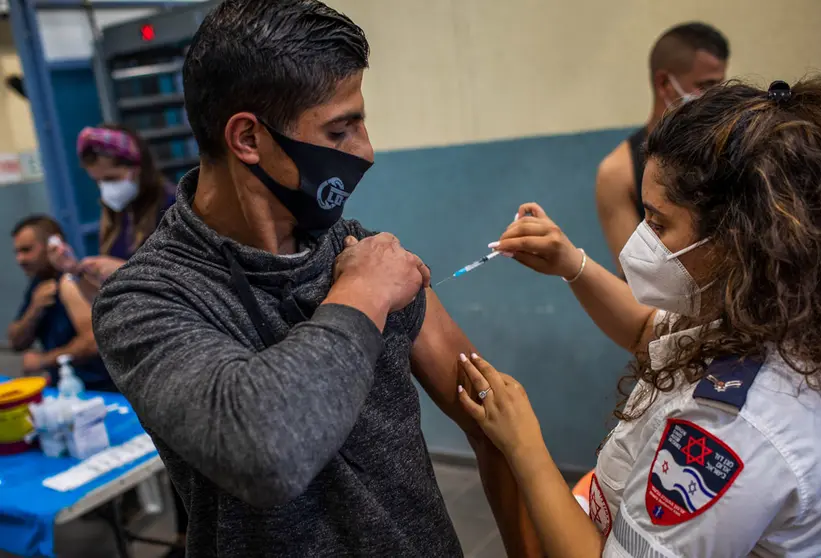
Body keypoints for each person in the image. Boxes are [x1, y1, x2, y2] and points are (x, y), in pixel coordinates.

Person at [91, 1, 540, 556]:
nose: (365, 151)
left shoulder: (360, 250)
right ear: (248, 139)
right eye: (339, 130)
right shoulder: (146, 299)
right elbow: (267, 454)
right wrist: (364, 294)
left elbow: (492, 419)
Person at [464, 78, 821, 557]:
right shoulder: (768, 311)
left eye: (659, 222)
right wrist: (571, 264)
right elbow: (650, 332)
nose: (642, 238)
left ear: (740, 241)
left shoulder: (733, 430)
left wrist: (524, 445)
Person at [596, 22, 729, 275]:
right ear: (665, 83)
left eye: (721, 84)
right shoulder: (617, 173)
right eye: (706, 85)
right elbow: (637, 279)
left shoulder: (727, 149)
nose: (717, 96)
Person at [48, 125, 176, 297]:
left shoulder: (174, 208)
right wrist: (75, 271)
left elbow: (189, 282)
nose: (106, 189)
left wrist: (124, 271)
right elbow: (104, 302)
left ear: (137, 169)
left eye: (111, 178)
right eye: (98, 182)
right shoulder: (116, 218)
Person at [7, 215, 115, 392]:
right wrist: (34, 310)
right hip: (68, 389)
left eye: (27, 250)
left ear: (52, 244)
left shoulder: (70, 282)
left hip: (99, 390)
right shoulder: (38, 285)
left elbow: (94, 342)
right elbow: (16, 342)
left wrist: (44, 360)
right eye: (17, 252)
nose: (20, 259)